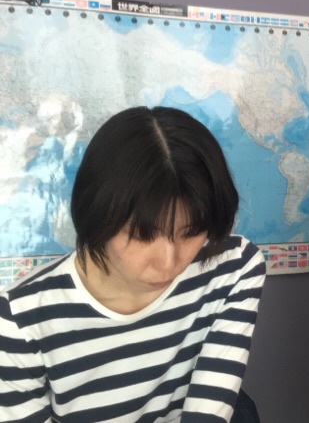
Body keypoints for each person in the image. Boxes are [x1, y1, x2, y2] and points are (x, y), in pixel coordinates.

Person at [0, 106, 267, 422]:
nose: (168, 264)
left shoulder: (233, 267)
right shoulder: (18, 321)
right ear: (97, 212)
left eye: (192, 232)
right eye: (142, 235)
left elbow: (208, 411)